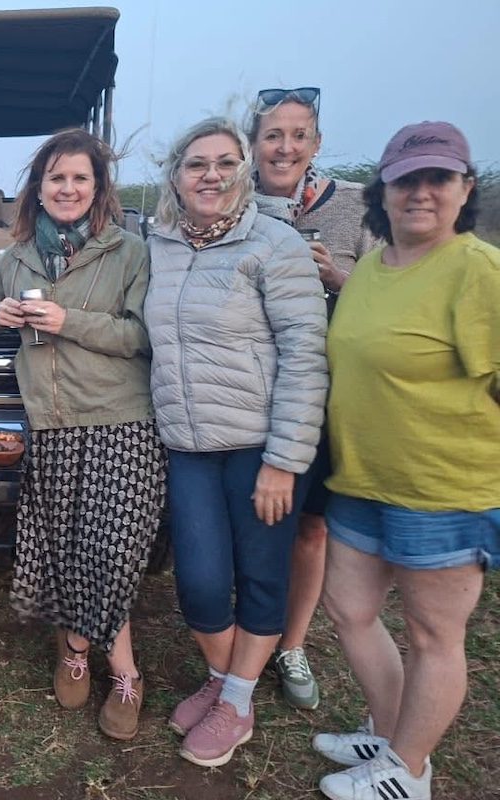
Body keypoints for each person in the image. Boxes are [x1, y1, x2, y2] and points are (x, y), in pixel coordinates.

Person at [313, 122, 498, 800]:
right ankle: (390, 733)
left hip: (443, 488)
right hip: (362, 478)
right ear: (383, 191)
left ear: (465, 189)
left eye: (438, 178)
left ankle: (409, 770)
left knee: (432, 633)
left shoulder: (477, 270)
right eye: (406, 180)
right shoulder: (372, 266)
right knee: (349, 610)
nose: (421, 192)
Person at [0, 128, 166, 741]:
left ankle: (119, 667)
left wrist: (67, 320)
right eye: (57, 178)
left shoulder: (130, 252)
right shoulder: (18, 257)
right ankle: (75, 649)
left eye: (81, 177)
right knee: (67, 549)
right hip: (51, 425)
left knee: (114, 551)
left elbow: (142, 335)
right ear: (39, 187)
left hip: (120, 419)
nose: (68, 188)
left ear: (99, 188)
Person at [144, 117, 327, 767]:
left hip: (260, 445)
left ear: (243, 171)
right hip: (188, 445)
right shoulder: (156, 246)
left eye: (225, 163)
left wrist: (284, 461)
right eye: (197, 164)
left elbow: (306, 355)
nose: (211, 175)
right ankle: (225, 680)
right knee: (197, 582)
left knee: (260, 575)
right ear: (175, 176)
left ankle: (237, 702)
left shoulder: (274, 244)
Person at [246, 87, 377, 711]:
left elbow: (386, 300)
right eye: (273, 135)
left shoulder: (355, 205)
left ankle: (291, 644)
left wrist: (336, 278)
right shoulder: (230, 199)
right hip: (245, 392)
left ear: (317, 143)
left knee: (310, 527)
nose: (285, 147)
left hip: (323, 396)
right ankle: (245, 638)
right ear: (254, 144)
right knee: (248, 523)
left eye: (299, 135)